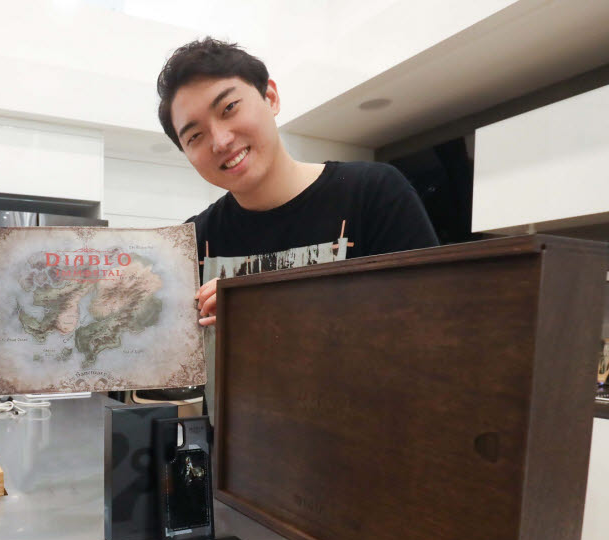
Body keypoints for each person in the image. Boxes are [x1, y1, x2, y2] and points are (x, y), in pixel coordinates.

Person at [155, 37, 439, 326]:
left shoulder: (373, 193)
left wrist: (259, 306)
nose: (221, 141)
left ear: (271, 98)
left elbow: (434, 322)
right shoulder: (190, 243)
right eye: (195, 136)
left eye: (229, 108)